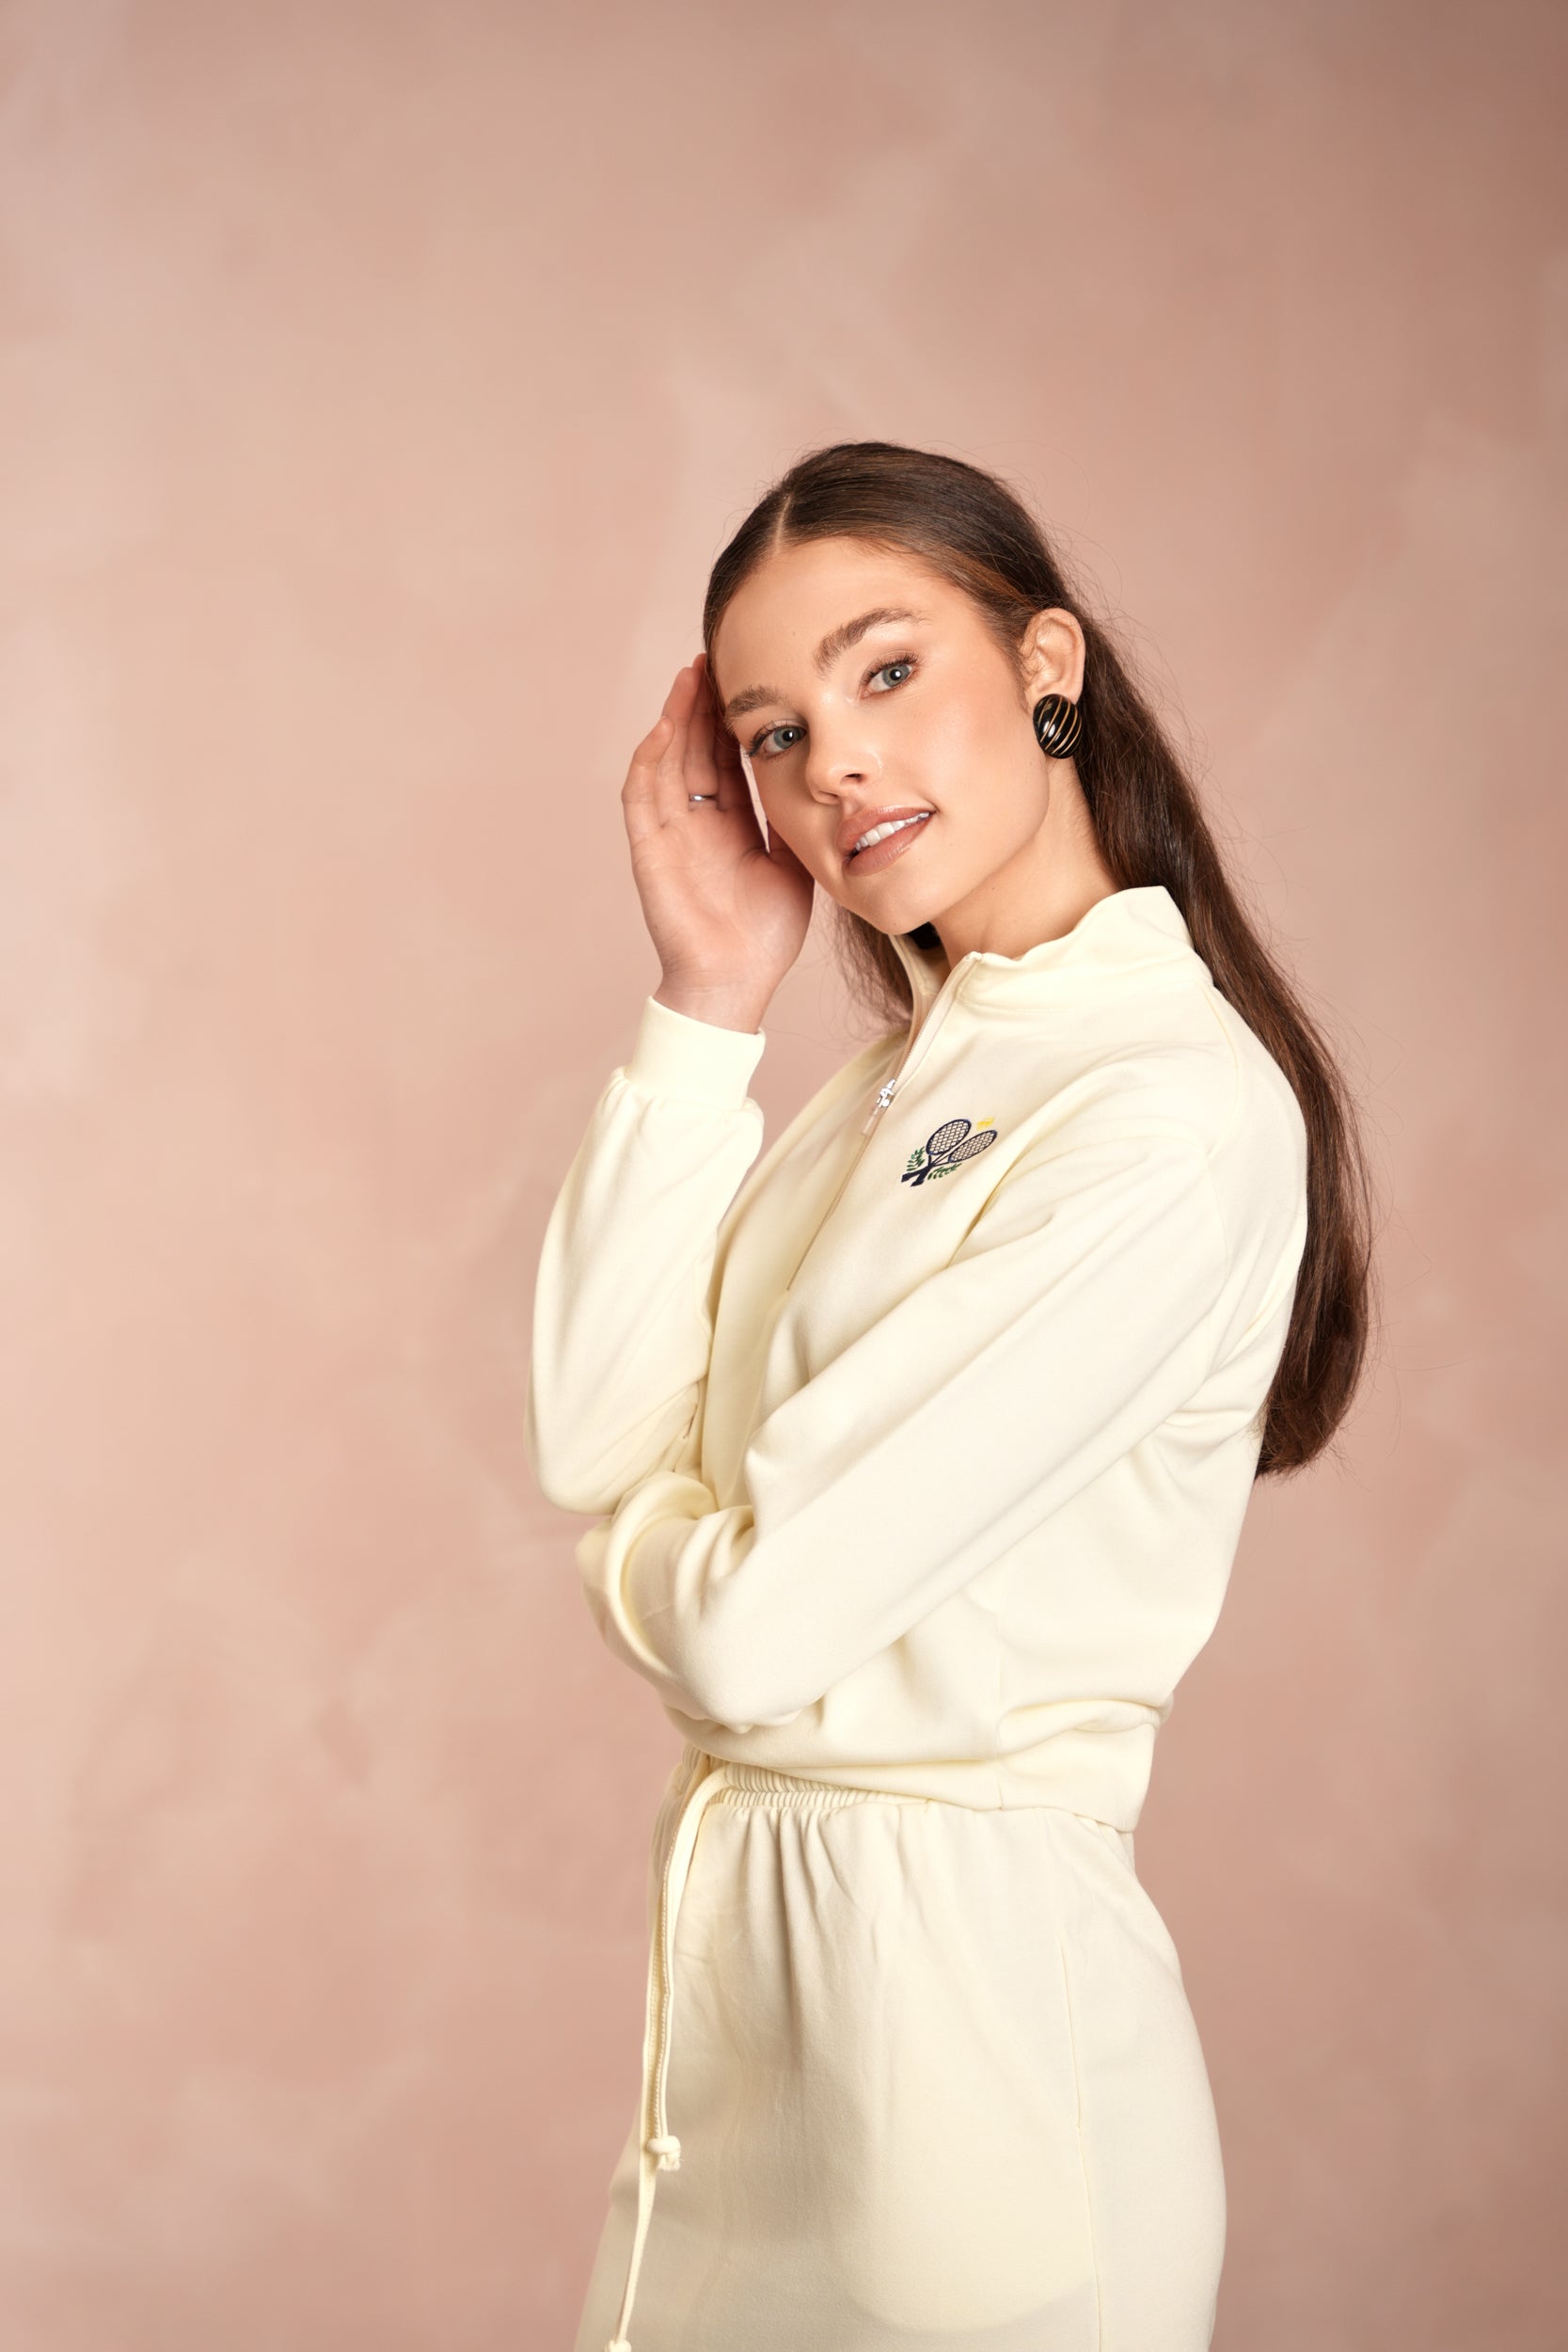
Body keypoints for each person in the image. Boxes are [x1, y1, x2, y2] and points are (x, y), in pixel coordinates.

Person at [524, 441, 1376, 2352]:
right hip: (738, 2088)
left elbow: (746, 1630)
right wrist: (705, 1001)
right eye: (774, 731)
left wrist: (636, 1564)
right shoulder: (898, 1087)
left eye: (888, 670)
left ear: (1046, 664)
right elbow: (589, 1433)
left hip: (975, 2116)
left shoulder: (1164, 1110)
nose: (833, 762)